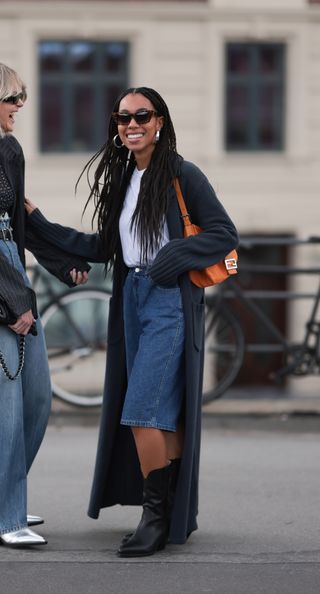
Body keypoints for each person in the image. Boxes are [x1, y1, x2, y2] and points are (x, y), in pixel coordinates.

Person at [25, 86, 238, 557]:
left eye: (142, 115)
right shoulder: (125, 179)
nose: (132, 124)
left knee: (142, 409)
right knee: (160, 413)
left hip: (168, 302)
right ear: (116, 128)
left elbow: (225, 233)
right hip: (131, 300)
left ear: (160, 121)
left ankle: (155, 517)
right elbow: (103, 248)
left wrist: (174, 256)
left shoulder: (183, 173)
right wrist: (37, 223)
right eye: (123, 118)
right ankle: (172, 513)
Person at [0, 63, 89, 548]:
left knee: (37, 398)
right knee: (8, 408)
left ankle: (4, 496)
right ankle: (7, 515)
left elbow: (19, 221)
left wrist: (62, 264)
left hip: (12, 265)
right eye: (12, 96)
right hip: (3, 281)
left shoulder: (9, 150)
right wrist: (15, 300)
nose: (20, 106)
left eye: (23, 97)